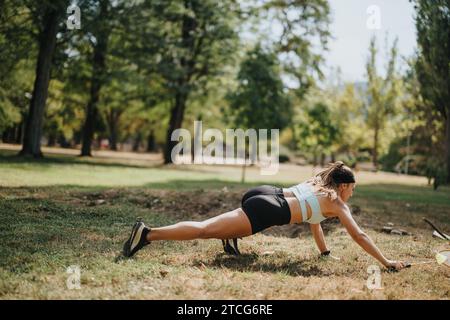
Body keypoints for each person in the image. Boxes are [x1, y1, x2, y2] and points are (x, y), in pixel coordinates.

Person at [122, 161, 407, 271]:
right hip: (269, 209)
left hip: (266, 192)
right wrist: (386, 261)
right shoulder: (337, 204)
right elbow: (360, 235)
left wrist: (324, 253)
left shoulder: (316, 184)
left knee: (223, 225)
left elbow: (314, 222)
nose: (352, 195)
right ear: (343, 186)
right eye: (352, 189)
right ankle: (147, 234)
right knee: (205, 229)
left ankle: (229, 240)